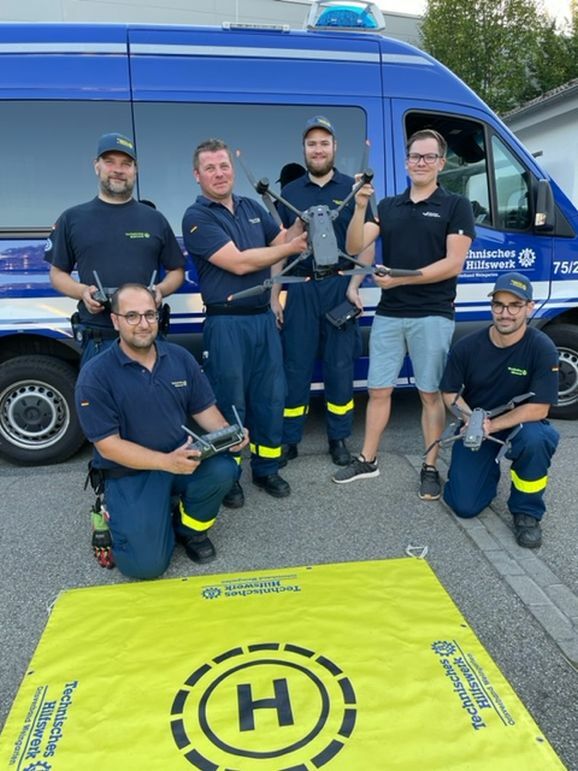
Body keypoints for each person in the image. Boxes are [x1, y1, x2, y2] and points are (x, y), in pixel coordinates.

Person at [333, 128, 476, 500]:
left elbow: (453, 263)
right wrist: (360, 205)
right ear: (406, 161)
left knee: (430, 394)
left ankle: (430, 467)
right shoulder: (388, 206)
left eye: (429, 157)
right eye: (415, 156)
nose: (421, 163)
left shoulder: (455, 205)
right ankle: (368, 459)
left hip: (432, 313)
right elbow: (354, 244)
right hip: (390, 314)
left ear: (441, 163)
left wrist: (400, 279)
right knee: (378, 390)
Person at [75, 284, 244, 579]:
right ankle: (121, 511)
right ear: (115, 320)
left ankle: (189, 530)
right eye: (132, 316)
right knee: (145, 568)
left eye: (150, 314)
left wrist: (230, 433)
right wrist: (166, 462)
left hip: (181, 459)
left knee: (224, 469)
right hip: (130, 473)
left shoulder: (179, 358)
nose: (143, 324)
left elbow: (204, 409)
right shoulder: (95, 375)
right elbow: (108, 446)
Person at [182, 138, 308, 508]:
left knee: (270, 397)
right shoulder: (197, 217)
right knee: (228, 402)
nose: (219, 173)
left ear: (232, 170)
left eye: (224, 166)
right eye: (210, 168)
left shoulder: (251, 206)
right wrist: (289, 248)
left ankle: (267, 468)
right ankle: (230, 475)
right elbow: (238, 262)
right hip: (227, 325)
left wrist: (303, 221)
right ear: (197, 175)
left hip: (262, 320)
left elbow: (282, 238)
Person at [274, 116, 374, 467]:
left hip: (338, 287)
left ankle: (338, 438)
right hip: (301, 289)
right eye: (311, 144)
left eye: (324, 143)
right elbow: (281, 247)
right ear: (304, 149)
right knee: (295, 367)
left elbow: (366, 245)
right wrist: (275, 296)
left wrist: (354, 286)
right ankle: (289, 439)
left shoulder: (355, 188)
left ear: (335, 147)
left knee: (340, 367)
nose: (318, 149)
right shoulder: (290, 192)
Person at [439, 272, 559, 548]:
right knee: (464, 505)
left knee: (538, 439)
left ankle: (527, 512)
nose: (505, 314)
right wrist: (471, 419)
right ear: (492, 306)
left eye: (515, 306)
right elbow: (449, 393)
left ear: (529, 307)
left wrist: (491, 425)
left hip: (520, 426)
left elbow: (539, 408)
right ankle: (484, 474)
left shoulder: (542, 348)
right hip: (477, 426)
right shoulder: (467, 347)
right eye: (499, 305)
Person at [46, 132, 185, 366]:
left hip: (148, 339)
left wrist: (160, 290)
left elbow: (177, 271)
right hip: (99, 341)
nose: (118, 170)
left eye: (126, 164)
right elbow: (57, 274)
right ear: (96, 166)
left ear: (135, 170)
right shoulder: (72, 219)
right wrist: (82, 292)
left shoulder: (154, 219)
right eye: (110, 162)